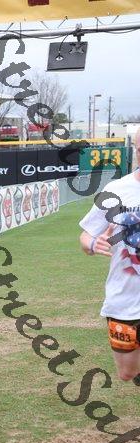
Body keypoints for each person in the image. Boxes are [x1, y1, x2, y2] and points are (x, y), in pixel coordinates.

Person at [79, 128, 140, 386]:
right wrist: (94, 243)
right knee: (128, 372)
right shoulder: (117, 189)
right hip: (124, 299)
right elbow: (85, 236)